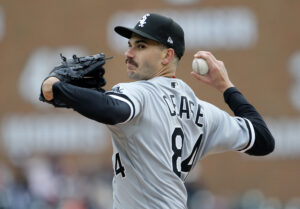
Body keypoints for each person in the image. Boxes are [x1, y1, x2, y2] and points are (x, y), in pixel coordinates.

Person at [41, 13, 275, 209]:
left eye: (141, 46)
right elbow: (263, 140)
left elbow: (111, 110)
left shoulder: (140, 93)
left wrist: (57, 87)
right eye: (130, 45)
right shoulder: (204, 112)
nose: (129, 53)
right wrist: (226, 86)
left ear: (167, 55)